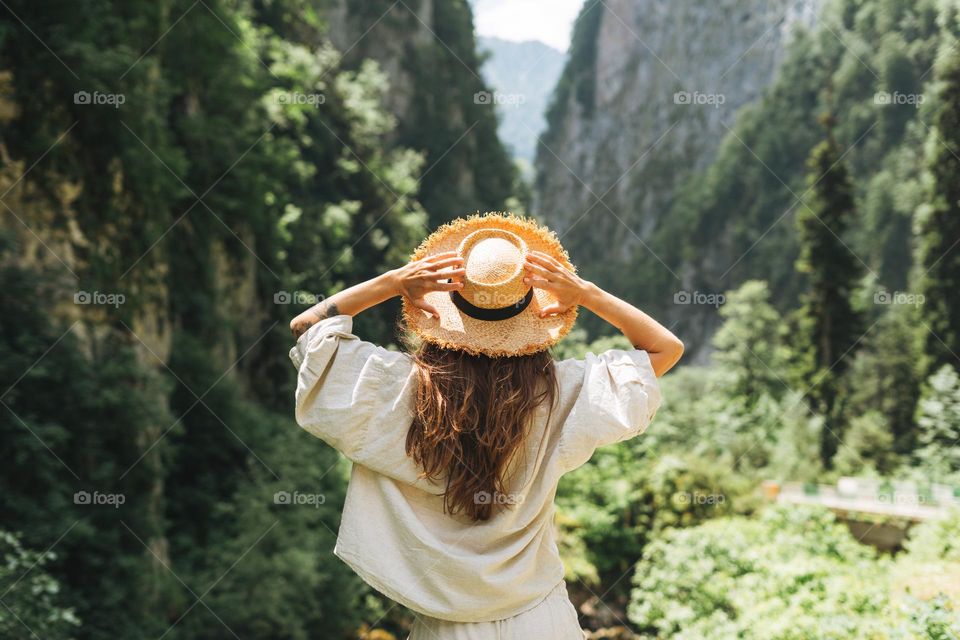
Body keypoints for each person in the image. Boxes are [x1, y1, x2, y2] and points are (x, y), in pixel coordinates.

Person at [288, 213, 683, 639]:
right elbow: (664, 348)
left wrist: (397, 281)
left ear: (443, 314)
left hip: (444, 628)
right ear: (533, 320)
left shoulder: (399, 390)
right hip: (541, 619)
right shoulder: (561, 393)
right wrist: (584, 293)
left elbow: (308, 327)